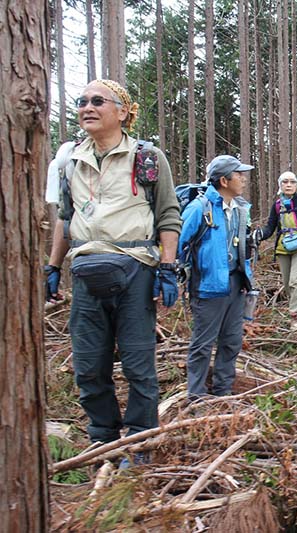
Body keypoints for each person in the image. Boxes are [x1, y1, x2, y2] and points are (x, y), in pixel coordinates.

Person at [44, 79, 182, 454]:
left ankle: (139, 444)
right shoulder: (69, 161)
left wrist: (167, 268)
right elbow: (66, 218)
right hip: (85, 273)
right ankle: (102, 439)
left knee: (138, 366)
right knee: (88, 366)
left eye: (97, 101)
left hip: (136, 270)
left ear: (122, 112)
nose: (87, 107)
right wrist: (53, 267)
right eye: (81, 101)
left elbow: (169, 215)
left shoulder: (147, 158)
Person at [179, 155, 255, 399]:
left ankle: (223, 394)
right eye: (238, 174)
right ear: (224, 180)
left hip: (236, 283)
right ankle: (196, 396)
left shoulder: (240, 209)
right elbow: (178, 243)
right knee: (203, 344)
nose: (243, 179)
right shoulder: (199, 208)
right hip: (208, 286)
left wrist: (247, 280)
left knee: (231, 342)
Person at [260, 171, 297, 330]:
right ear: (280, 185)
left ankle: (296, 316)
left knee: (295, 281)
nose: (289, 185)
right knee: (287, 284)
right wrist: (260, 235)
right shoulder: (277, 205)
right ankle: (296, 307)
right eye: (285, 182)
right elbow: (270, 227)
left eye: (292, 182)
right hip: (283, 247)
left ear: (296, 185)